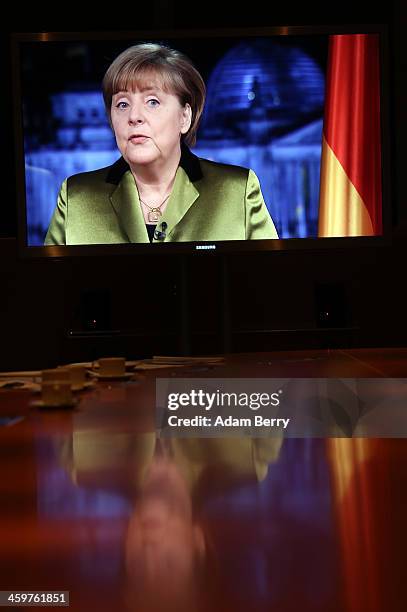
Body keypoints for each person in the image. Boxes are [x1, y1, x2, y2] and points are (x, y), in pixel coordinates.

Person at [45, 43, 278, 245]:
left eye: (152, 101)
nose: (134, 116)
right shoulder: (75, 197)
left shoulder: (238, 191)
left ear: (185, 117)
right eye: (122, 104)